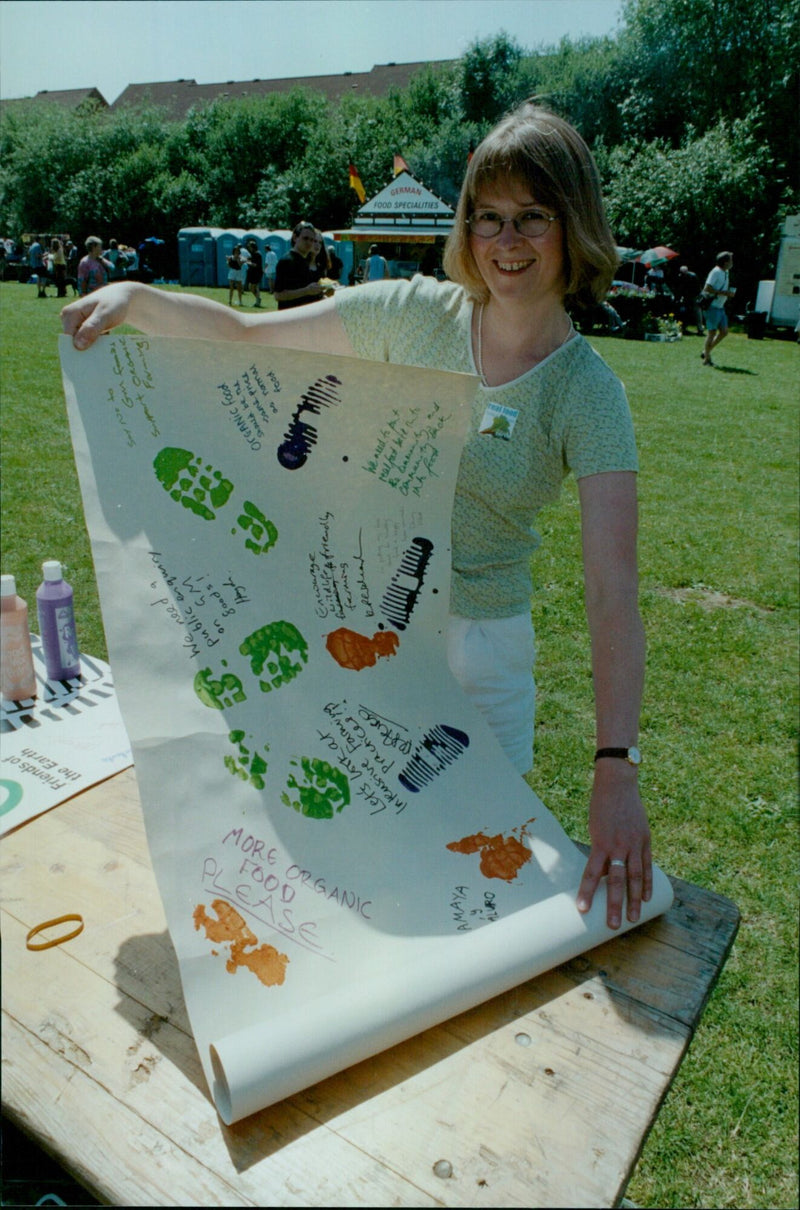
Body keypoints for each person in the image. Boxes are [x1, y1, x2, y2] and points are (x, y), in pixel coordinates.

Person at [61, 102, 652, 931]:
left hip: (484, 658)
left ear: (574, 225)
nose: (506, 241)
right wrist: (139, 298)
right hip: (356, 644)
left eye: (532, 217)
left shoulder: (589, 395)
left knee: (479, 891)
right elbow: (245, 335)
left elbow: (610, 590)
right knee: (351, 874)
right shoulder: (414, 313)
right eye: (487, 217)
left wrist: (616, 767)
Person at [272, 221, 324, 310]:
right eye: (305, 238)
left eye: (312, 240)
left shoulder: (306, 262)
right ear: (295, 237)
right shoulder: (287, 261)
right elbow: (278, 295)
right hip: (289, 317)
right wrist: (306, 291)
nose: (309, 242)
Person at [701, 251, 735, 365]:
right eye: (730, 260)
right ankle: (707, 359)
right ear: (725, 262)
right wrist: (723, 293)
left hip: (720, 307)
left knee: (724, 332)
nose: (732, 262)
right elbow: (707, 288)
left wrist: (727, 293)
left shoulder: (726, 272)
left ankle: (706, 351)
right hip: (712, 306)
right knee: (712, 332)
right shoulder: (715, 272)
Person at [675, 264, 704, 335]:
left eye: (684, 273)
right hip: (686, 296)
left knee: (697, 311)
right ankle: (683, 328)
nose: (682, 274)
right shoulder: (680, 277)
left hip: (695, 295)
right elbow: (680, 288)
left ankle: (700, 329)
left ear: (687, 271)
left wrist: (696, 299)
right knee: (685, 312)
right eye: (681, 273)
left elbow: (697, 289)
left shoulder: (693, 276)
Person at [244, 239, 263, 307]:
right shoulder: (253, 254)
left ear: (253, 247)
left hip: (256, 273)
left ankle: (258, 301)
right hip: (253, 272)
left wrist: (246, 261)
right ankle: (258, 299)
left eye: (250, 247)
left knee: (255, 287)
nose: (249, 248)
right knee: (251, 287)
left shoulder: (257, 254)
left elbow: (255, 264)